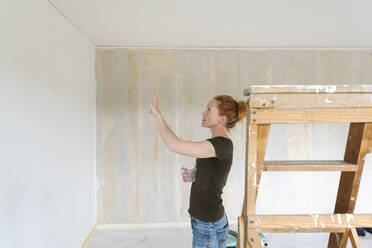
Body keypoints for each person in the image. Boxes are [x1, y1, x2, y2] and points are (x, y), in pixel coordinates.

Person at [149, 91, 247, 248]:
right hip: (206, 220)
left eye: (209, 109)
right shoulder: (215, 144)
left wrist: (158, 115)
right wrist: (193, 174)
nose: (203, 112)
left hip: (208, 224)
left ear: (222, 119)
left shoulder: (221, 145)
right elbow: (211, 173)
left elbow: (173, 144)